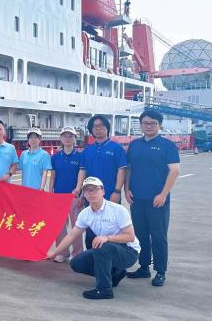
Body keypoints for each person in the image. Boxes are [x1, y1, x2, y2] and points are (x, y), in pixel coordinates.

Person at [47, 177, 140, 300]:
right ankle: (115, 273)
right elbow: (71, 235)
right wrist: (55, 252)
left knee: (101, 247)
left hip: (128, 252)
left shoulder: (117, 210)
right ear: (84, 194)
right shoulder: (85, 213)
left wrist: (107, 238)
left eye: (95, 189)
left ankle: (104, 289)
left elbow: (130, 236)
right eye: (87, 190)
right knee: (76, 263)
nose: (91, 193)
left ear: (103, 191)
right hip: (107, 249)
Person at [125, 110, 180, 286]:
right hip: (137, 199)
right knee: (140, 235)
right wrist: (127, 189)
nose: (149, 126)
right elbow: (129, 168)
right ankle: (143, 267)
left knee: (158, 236)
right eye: (145, 123)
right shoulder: (134, 145)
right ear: (141, 125)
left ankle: (161, 272)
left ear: (160, 125)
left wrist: (163, 194)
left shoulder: (167, 145)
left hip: (158, 200)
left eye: (153, 123)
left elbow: (174, 170)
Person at [81, 115, 127, 249]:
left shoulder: (116, 148)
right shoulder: (87, 150)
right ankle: (92, 261)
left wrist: (117, 191)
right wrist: (81, 192)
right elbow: (83, 172)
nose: (98, 128)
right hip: (90, 196)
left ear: (107, 128)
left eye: (101, 125)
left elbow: (122, 170)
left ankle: (113, 265)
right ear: (91, 130)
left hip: (110, 195)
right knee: (91, 230)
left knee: (113, 229)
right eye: (95, 126)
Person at [49, 126, 86, 262]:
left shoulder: (80, 156)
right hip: (58, 196)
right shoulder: (55, 157)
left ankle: (77, 254)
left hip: (74, 196)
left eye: (70, 136)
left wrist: (78, 189)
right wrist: (50, 192)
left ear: (75, 139)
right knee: (59, 226)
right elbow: (52, 176)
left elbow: (82, 173)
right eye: (65, 136)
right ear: (61, 139)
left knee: (77, 225)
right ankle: (62, 252)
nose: (67, 138)